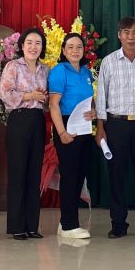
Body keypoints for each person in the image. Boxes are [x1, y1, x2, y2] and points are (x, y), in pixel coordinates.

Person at [95, 16, 135, 239]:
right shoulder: (109, 62)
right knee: (117, 175)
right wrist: (100, 128)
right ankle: (118, 224)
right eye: (126, 32)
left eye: (134, 33)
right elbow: (101, 96)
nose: (130, 37)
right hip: (116, 124)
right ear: (119, 35)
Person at [0, 27, 49, 240]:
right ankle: (17, 226)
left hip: (38, 121)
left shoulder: (45, 69)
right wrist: (30, 95)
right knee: (18, 172)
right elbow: (5, 94)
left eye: (38, 43)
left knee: (34, 173)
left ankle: (32, 226)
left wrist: (44, 97)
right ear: (21, 45)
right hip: (19, 120)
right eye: (29, 42)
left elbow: (47, 100)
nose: (33, 47)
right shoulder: (13, 66)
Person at [48, 33, 96, 239]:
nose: (75, 51)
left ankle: (65, 222)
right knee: (69, 176)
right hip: (66, 125)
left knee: (79, 175)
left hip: (84, 126)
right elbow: (53, 104)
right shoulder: (60, 71)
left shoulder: (86, 71)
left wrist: (93, 111)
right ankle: (69, 226)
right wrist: (61, 132)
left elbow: (89, 100)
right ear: (63, 50)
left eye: (79, 47)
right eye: (70, 47)